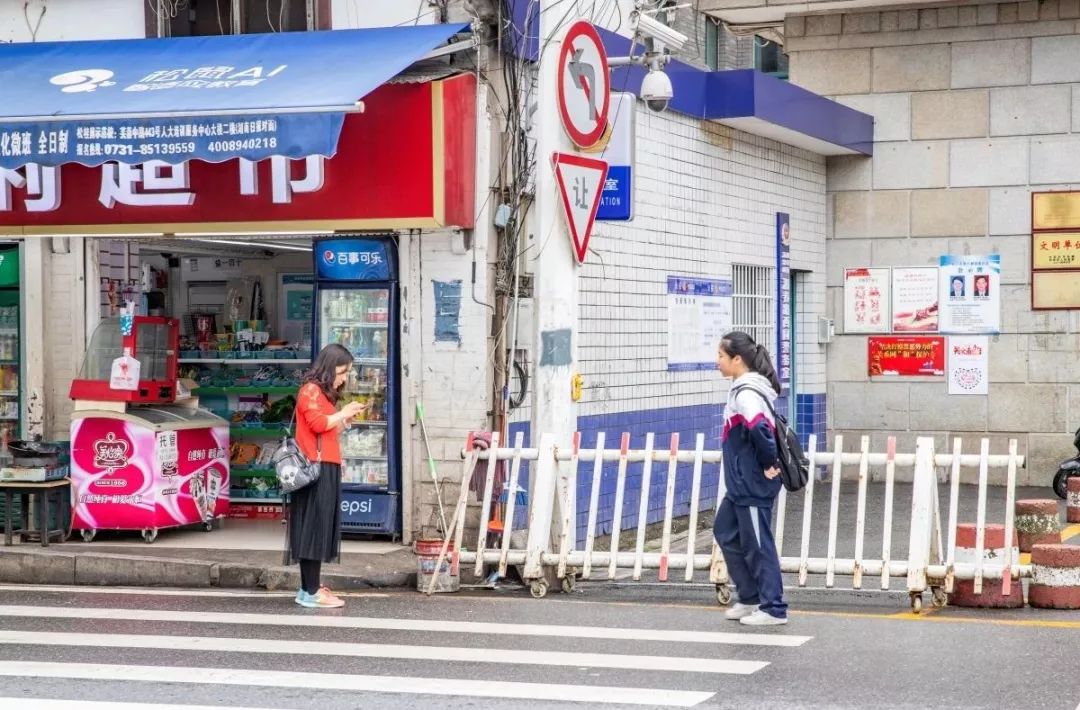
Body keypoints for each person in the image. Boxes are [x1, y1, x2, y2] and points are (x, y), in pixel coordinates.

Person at [714, 331, 788, 626]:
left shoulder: (746, 393)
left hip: (752, 483)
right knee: (726, 532)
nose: (717, 362)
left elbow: (760, 430)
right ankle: (750, 597)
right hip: (739, 485)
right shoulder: (741, 389)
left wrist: (769, 463)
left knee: (759, 544)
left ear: (737, 359)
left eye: (720, 356)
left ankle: (773, 608)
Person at [287, 343, 367, 609]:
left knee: (317, 529)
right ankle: (310, 591)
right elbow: (318, 424)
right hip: (314, 468)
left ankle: (308, 588)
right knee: (314, 529)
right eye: (343, 372)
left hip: (325, 466)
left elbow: (327, 432)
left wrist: (344, 420)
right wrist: (341, 413)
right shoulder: (310, 390)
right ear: (330, 367)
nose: (344, 378)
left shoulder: (323, 394)